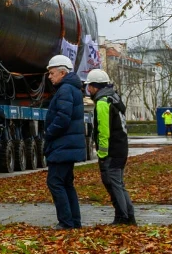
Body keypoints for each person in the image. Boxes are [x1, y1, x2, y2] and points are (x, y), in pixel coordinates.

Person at [43, 54, 87, 230]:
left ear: (62, 72)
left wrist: (49, 132)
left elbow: (63, 117)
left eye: (52, 72)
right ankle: (74, 221)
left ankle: (66, 222)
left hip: (63, 145)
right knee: (66, 183)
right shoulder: (73, 89)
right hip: (68, 145)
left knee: (55, 182)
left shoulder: (65, 90)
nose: (49, 76)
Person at [86, 69, 136, 225]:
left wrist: (102, 153)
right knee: (119, 183)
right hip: (121, 148)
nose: (88, 90)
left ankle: (123, 217)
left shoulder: (102, 102)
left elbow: (103, 130)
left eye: (89, 86)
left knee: (114, 184)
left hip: (112, 151)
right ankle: (128, 216)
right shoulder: (114, 98)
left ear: (95, 86)